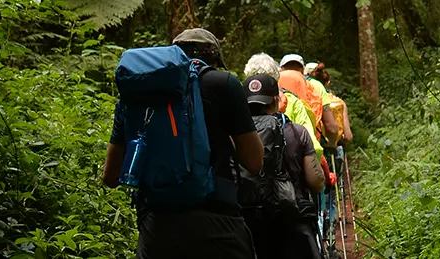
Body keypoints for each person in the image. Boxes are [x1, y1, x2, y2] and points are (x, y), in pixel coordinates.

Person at [101, 28, 264, 259]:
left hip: (159, 226)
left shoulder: (140, 89)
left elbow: (110, 176)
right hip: (219, 222)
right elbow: (255, 162)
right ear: (214, 58)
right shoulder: (224, 84)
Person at [241, 71, 326, 259]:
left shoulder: (235, 136)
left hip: (247, 221)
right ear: (276, 101)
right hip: (290, 218)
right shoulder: (297, 132)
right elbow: (315, 182)